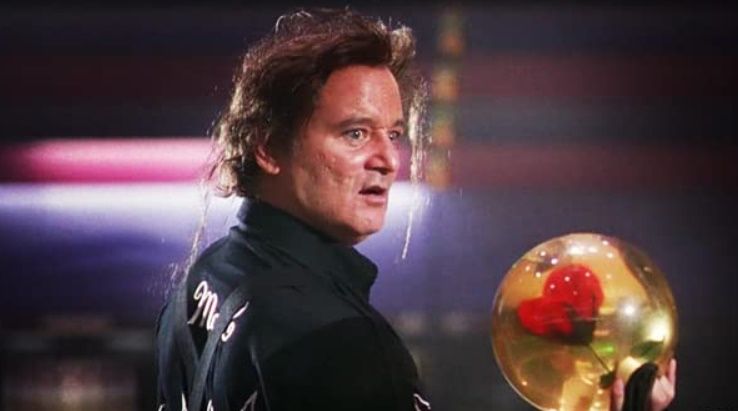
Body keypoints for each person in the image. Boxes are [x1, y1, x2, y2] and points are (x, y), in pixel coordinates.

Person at [155, 8, 676, 411]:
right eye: (355, 133)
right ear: (268, 148)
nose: (387, 160)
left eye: (394, 134)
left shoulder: (203, 277)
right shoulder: (339, 341)